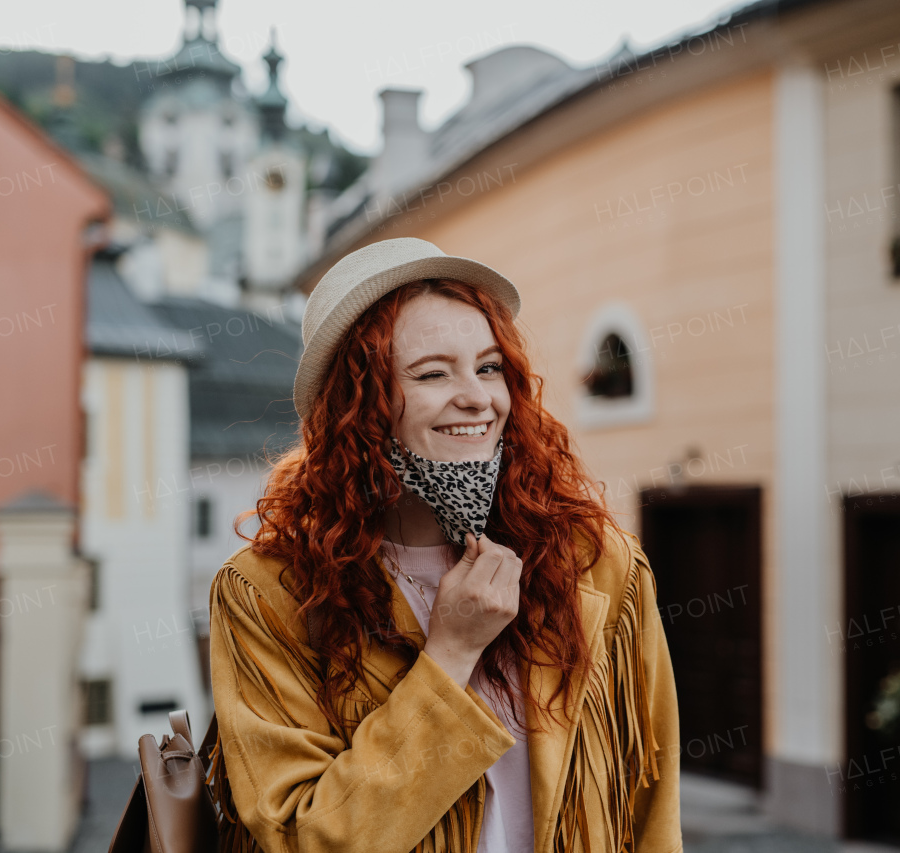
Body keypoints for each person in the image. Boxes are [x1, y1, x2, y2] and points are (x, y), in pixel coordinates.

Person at [206, 237, 682, 853]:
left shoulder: (596, 563)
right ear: (358, 407)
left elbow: (652, 803)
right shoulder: (269, 593)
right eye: (433, 373)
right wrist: (451, 654)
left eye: (488, 367)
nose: (478, 397)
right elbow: (305, 838)